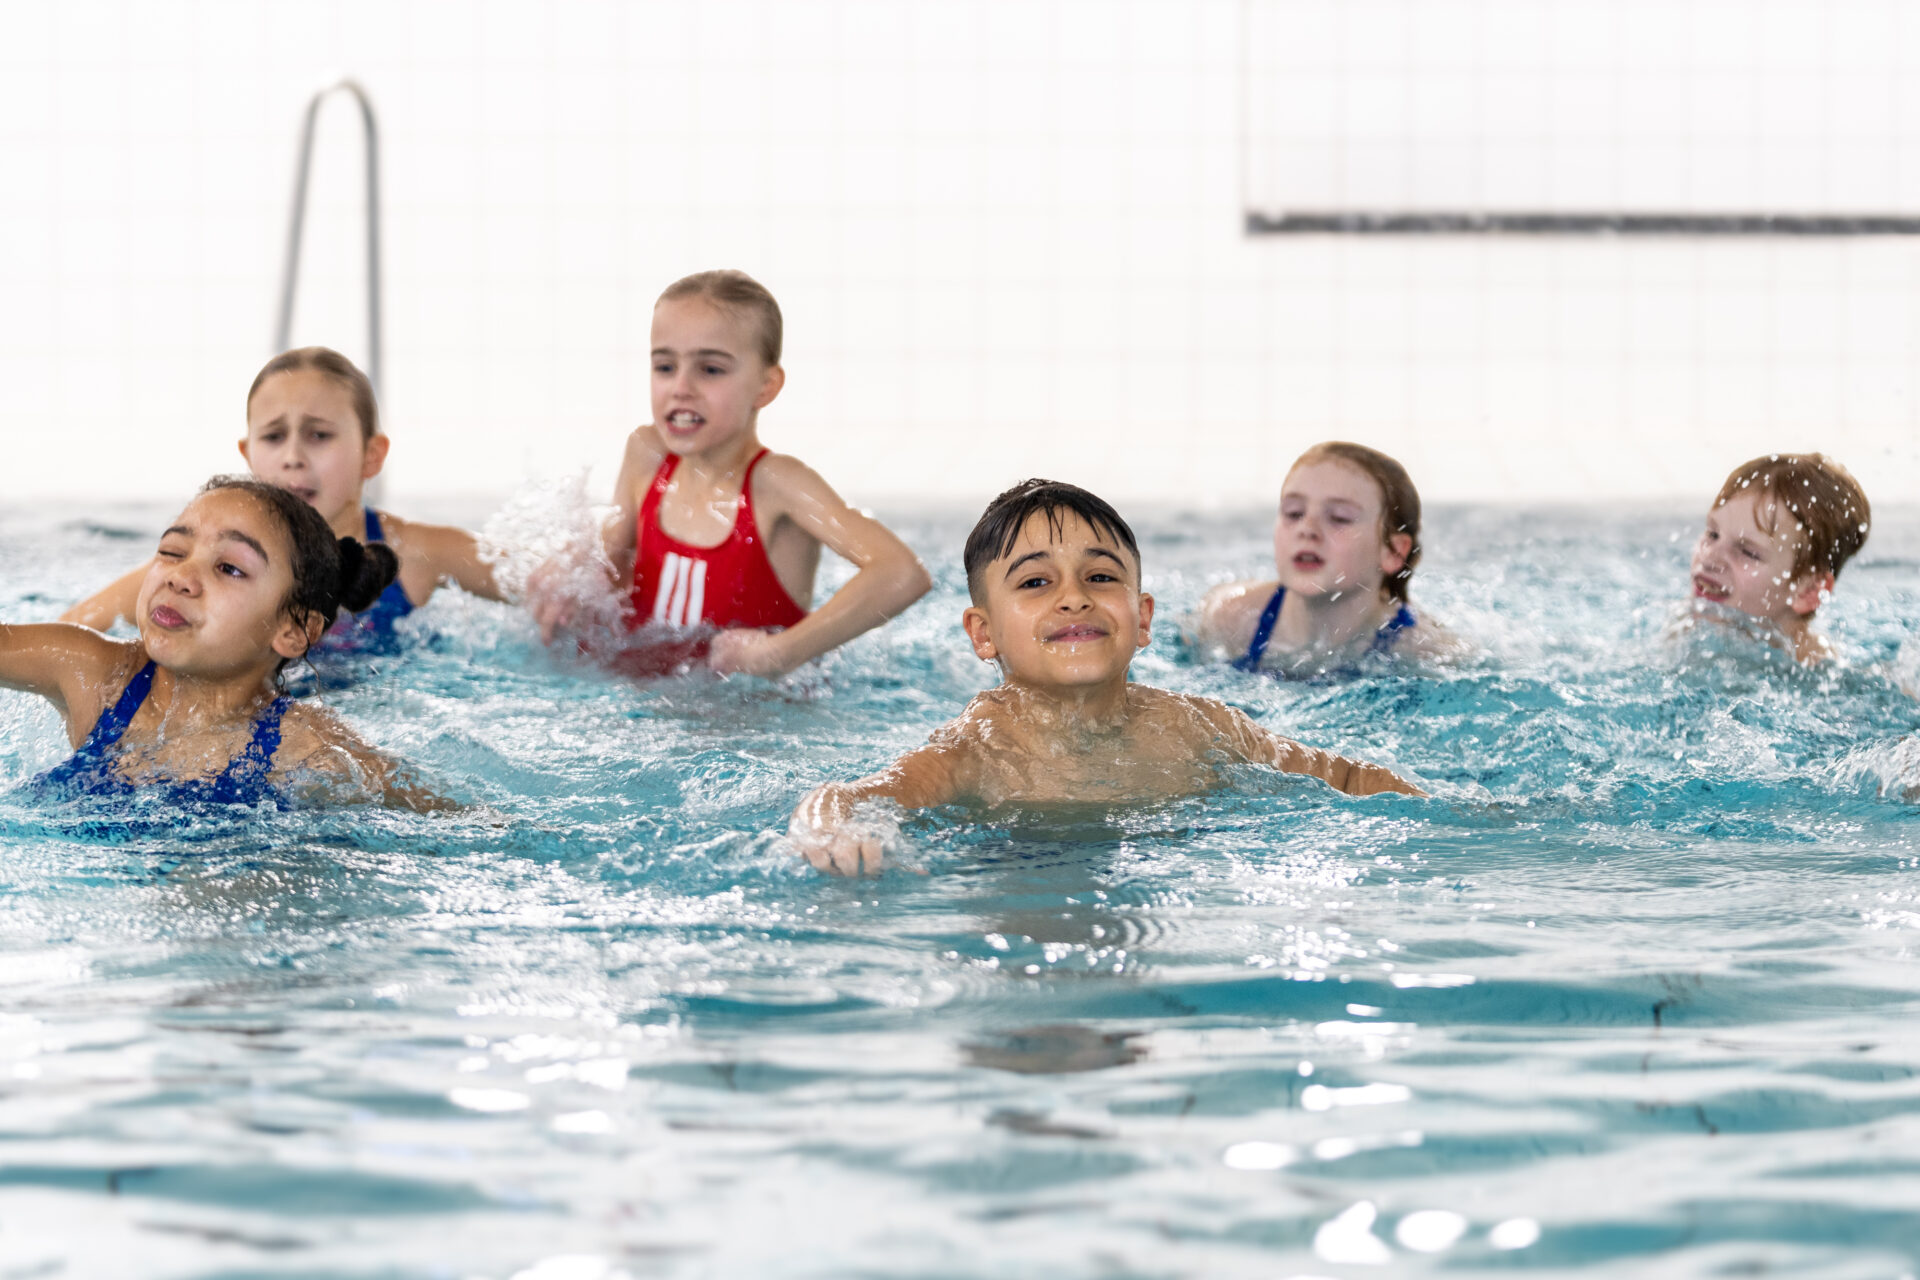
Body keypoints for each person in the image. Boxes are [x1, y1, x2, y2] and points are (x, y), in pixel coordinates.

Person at [789, 479, 1423, 875]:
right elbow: (848, 796)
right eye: (1036, 582)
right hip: (1011, 893)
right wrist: (829, 828)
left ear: (1142, 619)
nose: (1073, 599)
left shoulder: (1196, 726)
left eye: (1100, 577)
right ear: (983, 634)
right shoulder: (977, 750)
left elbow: (1340, 776)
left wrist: (1450, 814)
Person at [529, 270, 931, 677]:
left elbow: (902, 572)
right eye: (665, 366)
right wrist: (571, 582)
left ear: (766, 386)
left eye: (711, 370)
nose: (680, 388)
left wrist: (781, 653)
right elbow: (608, 565)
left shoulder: (775, 486)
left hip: (749, 726)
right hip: (638, 702)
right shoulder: (647, 455)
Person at [10, 478, 439, 809]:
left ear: (294, 630)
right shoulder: (92, 674)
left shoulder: (306, 747)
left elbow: (459, 822)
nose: (179, 576)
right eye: (172, 551)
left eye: (229, 568)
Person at [62, 347, 507, 650]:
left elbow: (548, 581)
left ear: (372, 455)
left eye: (319, 435)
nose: (293, 457)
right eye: (274, 437)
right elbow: (68, 634)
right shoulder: (200, 567)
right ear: (248, 456)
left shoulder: (417, 552)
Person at [1190, 441, 1456, 674]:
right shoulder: (1228, 618)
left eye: (1339, 518)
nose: (1307, 529)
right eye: (1294, 513)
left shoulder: (1425, 653)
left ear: (1393, 552)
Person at [1685, 452, 1870, 665]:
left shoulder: (1812, 665)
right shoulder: (1688, 623)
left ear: (1809, 591)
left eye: (1748, 552)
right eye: (1712, 534)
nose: (1709, 557)